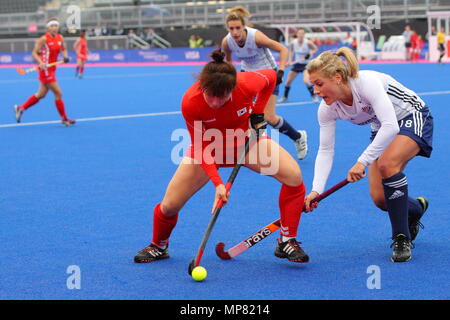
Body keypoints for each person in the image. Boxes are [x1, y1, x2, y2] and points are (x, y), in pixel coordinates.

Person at [134, 49, 309, 264]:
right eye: (211, 96)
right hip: (209, 150)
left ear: (233, 89)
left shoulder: (246, 83)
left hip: (246, 144)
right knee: (169, 206)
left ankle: (286, 240)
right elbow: (201, 146)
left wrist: (258, 112)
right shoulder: (191, 102)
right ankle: (159, 245)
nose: (216, 102)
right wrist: (218, 183)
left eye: (223, 97)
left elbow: (272, 78)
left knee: (294, 177)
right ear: (202, 87)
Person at [304, 47, 433, 263]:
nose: (316, 91)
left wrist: (361, 162)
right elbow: (326, 150)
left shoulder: (365, 83)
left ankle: (401, 237)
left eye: (319, 84)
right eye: (313, 85)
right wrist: (316, 189)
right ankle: (417, 208)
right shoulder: (326, 109)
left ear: (337, 78)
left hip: (412, 116)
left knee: (387, 165)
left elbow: (391, 125)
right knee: (381, 199)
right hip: (381, 128)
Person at [221, 6, 308, 160]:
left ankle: (298, 137)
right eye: (231, 28)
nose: (235, 32)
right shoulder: (227, 42)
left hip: (268, 76)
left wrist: (280, 71)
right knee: (244, 113)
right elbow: (228, 62)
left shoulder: (256, 37)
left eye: (238, 28)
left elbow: (282, 49)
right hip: (247, 76)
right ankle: (250, 148)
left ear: (244, 26)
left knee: (268, 117)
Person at [14, 18, 75, 126]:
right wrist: (41, 62)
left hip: (52, 69)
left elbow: (64, 48)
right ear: (47, 28)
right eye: (51, 26)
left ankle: (20, 108)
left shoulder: (60, 37)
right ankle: (64, 119)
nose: (54, 28)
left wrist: (65, 57)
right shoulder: (43, 39)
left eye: (56, 25)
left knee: (41, 95)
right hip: (45, 70)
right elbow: (34, 53)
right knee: (58, 93)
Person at [278, 28, 318, 103]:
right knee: (288, 82)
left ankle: (313, 96)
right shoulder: (293, 42)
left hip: (306, 64)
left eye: (302, 34)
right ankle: (285, 97)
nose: (301, 35)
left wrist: (310, 53)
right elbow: (291, 50)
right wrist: (290, 60)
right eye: (299, 33)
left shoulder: (308, 42)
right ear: (297, 34)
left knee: (306, 81)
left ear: (304, 35)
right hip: (297, 64)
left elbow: (315, 49)